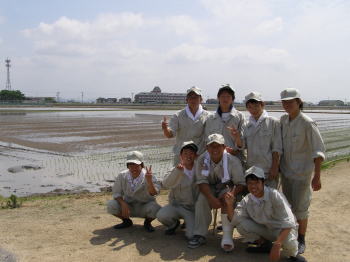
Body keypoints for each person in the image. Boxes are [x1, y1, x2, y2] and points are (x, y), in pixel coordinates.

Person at [225, 166, 307, 262]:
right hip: (266, 230)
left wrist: (277, 244)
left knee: (289, 243)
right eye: (250, 183)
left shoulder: (275, 195)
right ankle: (265, 245)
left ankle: (293, 254)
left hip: (282, 230)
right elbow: (233, 219)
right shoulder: (247, 200)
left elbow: (289, 222)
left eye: (256, 182)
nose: (253, 186)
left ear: (263, 182)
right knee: (241, 225)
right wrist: (229, 205)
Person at [279, 88, 325, 254]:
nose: (287, 105)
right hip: (286, 172)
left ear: (299, 102)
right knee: (288, 206)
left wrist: (317, 176)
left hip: (302, 174)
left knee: (301, 208)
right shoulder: (283, 120)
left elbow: (318, 151)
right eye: (284, 102)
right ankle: (290, 236)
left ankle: (301, 238)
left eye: (290, 101)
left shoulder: (307, 123)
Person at [188, 133, 245, 252]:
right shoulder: (201, 159)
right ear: (206, 147)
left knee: (227, 199)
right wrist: (211, 198)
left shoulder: (233, 161)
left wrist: (231, 193)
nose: (214, 149)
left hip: (228, 186)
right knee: (201, 200)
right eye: (211, 146)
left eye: (218, 146)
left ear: (224, 147)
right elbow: (201, 181)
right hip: (209, 187)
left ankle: (227, 236)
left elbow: (240, 183)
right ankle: (200, 235)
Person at [231, 91, 282, 188]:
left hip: (268, 170)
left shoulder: (273, 122)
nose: (253, 109)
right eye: (249, 106)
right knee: (254, 199)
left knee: (270, 199)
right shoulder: (246, 125)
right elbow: (242, 146)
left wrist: (275, 167)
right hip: (252, 171)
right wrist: (237, 137)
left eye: (255, 105)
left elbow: (277, 147)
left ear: (262, 104)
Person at [106, 151, 161, 232]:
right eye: (131, 165)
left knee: (156, 209)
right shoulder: (122, 175)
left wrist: (149, 181)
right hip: (129, 206)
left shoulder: (149, 176)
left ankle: (147, 223)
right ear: (127, 166)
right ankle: (126, 221)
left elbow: (154, 193)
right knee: (111, 205)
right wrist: (123, 204)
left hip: (144, 206)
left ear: (142, 165)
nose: (133, 168)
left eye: (136, 165)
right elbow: (116, 193)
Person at [156, 141, 199, 239]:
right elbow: (166, 184)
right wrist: (177, 172)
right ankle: (173, 224)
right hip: (177, 206)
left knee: (191, 236)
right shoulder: (174, 169)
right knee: (161, 215)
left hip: (193, 209)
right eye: (185, 153)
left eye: (191, 153)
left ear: (196, 156)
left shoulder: (200, 169)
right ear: (180, 156)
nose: (188, 156)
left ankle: (190, 223)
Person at [162, 86, 209, 165]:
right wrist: (165, 129)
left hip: (199, 156)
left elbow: (210, 137)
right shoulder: (178, 115)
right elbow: (170, 135)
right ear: (186, 100)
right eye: (190, 97)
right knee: (179, 176)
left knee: (200, 177)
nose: (193, 100)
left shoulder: (208, 116)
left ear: (201, 99)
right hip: (181, 156)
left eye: (195, 97)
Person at [205, 84, 247, 164]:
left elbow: (243, 142)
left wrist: (235, 148)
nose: (225, 99)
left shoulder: (240, 116)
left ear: (232, 99)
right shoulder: (210, 118)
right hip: (215, 160)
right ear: (218, 98)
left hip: (235, 159)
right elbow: (206, 140)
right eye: (223, 96)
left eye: (228, 96)